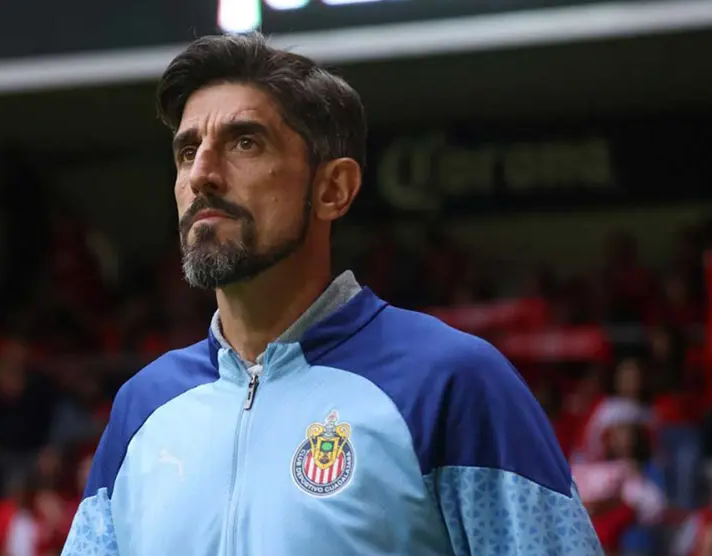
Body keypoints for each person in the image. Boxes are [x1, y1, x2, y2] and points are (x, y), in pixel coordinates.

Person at [63, 32, 601, 556]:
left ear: (332, 189)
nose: (202, 174)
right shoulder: (142, 406)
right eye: (187, 151)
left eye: (245, 143)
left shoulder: (451, 383)